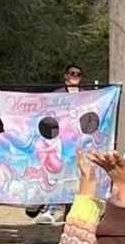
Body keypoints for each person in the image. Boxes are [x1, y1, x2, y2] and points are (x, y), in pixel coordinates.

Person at [27, 64, 87, 224]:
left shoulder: (88, 96)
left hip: (78, 144)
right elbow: (46, 117)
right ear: (66, 76)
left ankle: (72, 213)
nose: (75, 76)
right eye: (72, 73)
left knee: (75, 179)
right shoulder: (56, 95)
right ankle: (50, 209)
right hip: (58, 143)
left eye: (78, 74)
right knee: (55, 175)